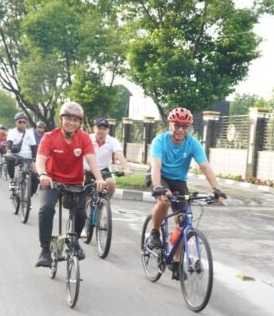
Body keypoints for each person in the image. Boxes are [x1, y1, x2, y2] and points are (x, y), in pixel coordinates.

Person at [148, 107, 227, 279]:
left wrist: (216, 189)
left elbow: (205, 166)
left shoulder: (193, 143)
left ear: (189, 127)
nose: (181, 130)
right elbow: (156, 165)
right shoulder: (159, 141)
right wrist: (157, 186)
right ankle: (155, 232)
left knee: (183, 222)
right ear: (170, 125)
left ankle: (176, 263)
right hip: (160, 176)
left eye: (185, 126)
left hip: (179, 180)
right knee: (165, 200)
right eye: (177, 125)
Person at [35, 101, 106, 267]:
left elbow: (91, 158)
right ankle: (45, 249)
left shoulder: (83, 138)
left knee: (81, 214)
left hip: (74, 182)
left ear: (80, 122)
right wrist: (43, 174)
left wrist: (99, 178)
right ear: (61, 119)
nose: (72, 123)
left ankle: (74, 241)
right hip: (52, 181)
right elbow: (41, 159)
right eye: (68, 118)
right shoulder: (49, 137)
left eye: (76, 120)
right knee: (46, 209)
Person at [84, 118, 131, 198]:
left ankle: (104, 203)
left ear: (108, 130)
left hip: (103, 169)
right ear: (94, 129)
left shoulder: (112, 141)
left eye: (104, 129)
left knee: (111, 183)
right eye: (99, 128)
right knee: (84, 198)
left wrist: (126, 168)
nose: (101, 131)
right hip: (87, 170)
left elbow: (119, 154)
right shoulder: (87, 139)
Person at [5, 112, 38, 193]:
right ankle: (12, 180)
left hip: (28, 157)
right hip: (16, 156)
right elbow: (9, 142)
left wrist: (34, 161)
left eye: (24, 122)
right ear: (15, 122)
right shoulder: (12, 132)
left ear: (26, 123)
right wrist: (8, 151)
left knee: (34, 176)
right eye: (20, 122)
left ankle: (27, 200)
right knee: (10, 159)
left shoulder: (30, 132)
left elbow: (34, 147)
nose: (22, 124)